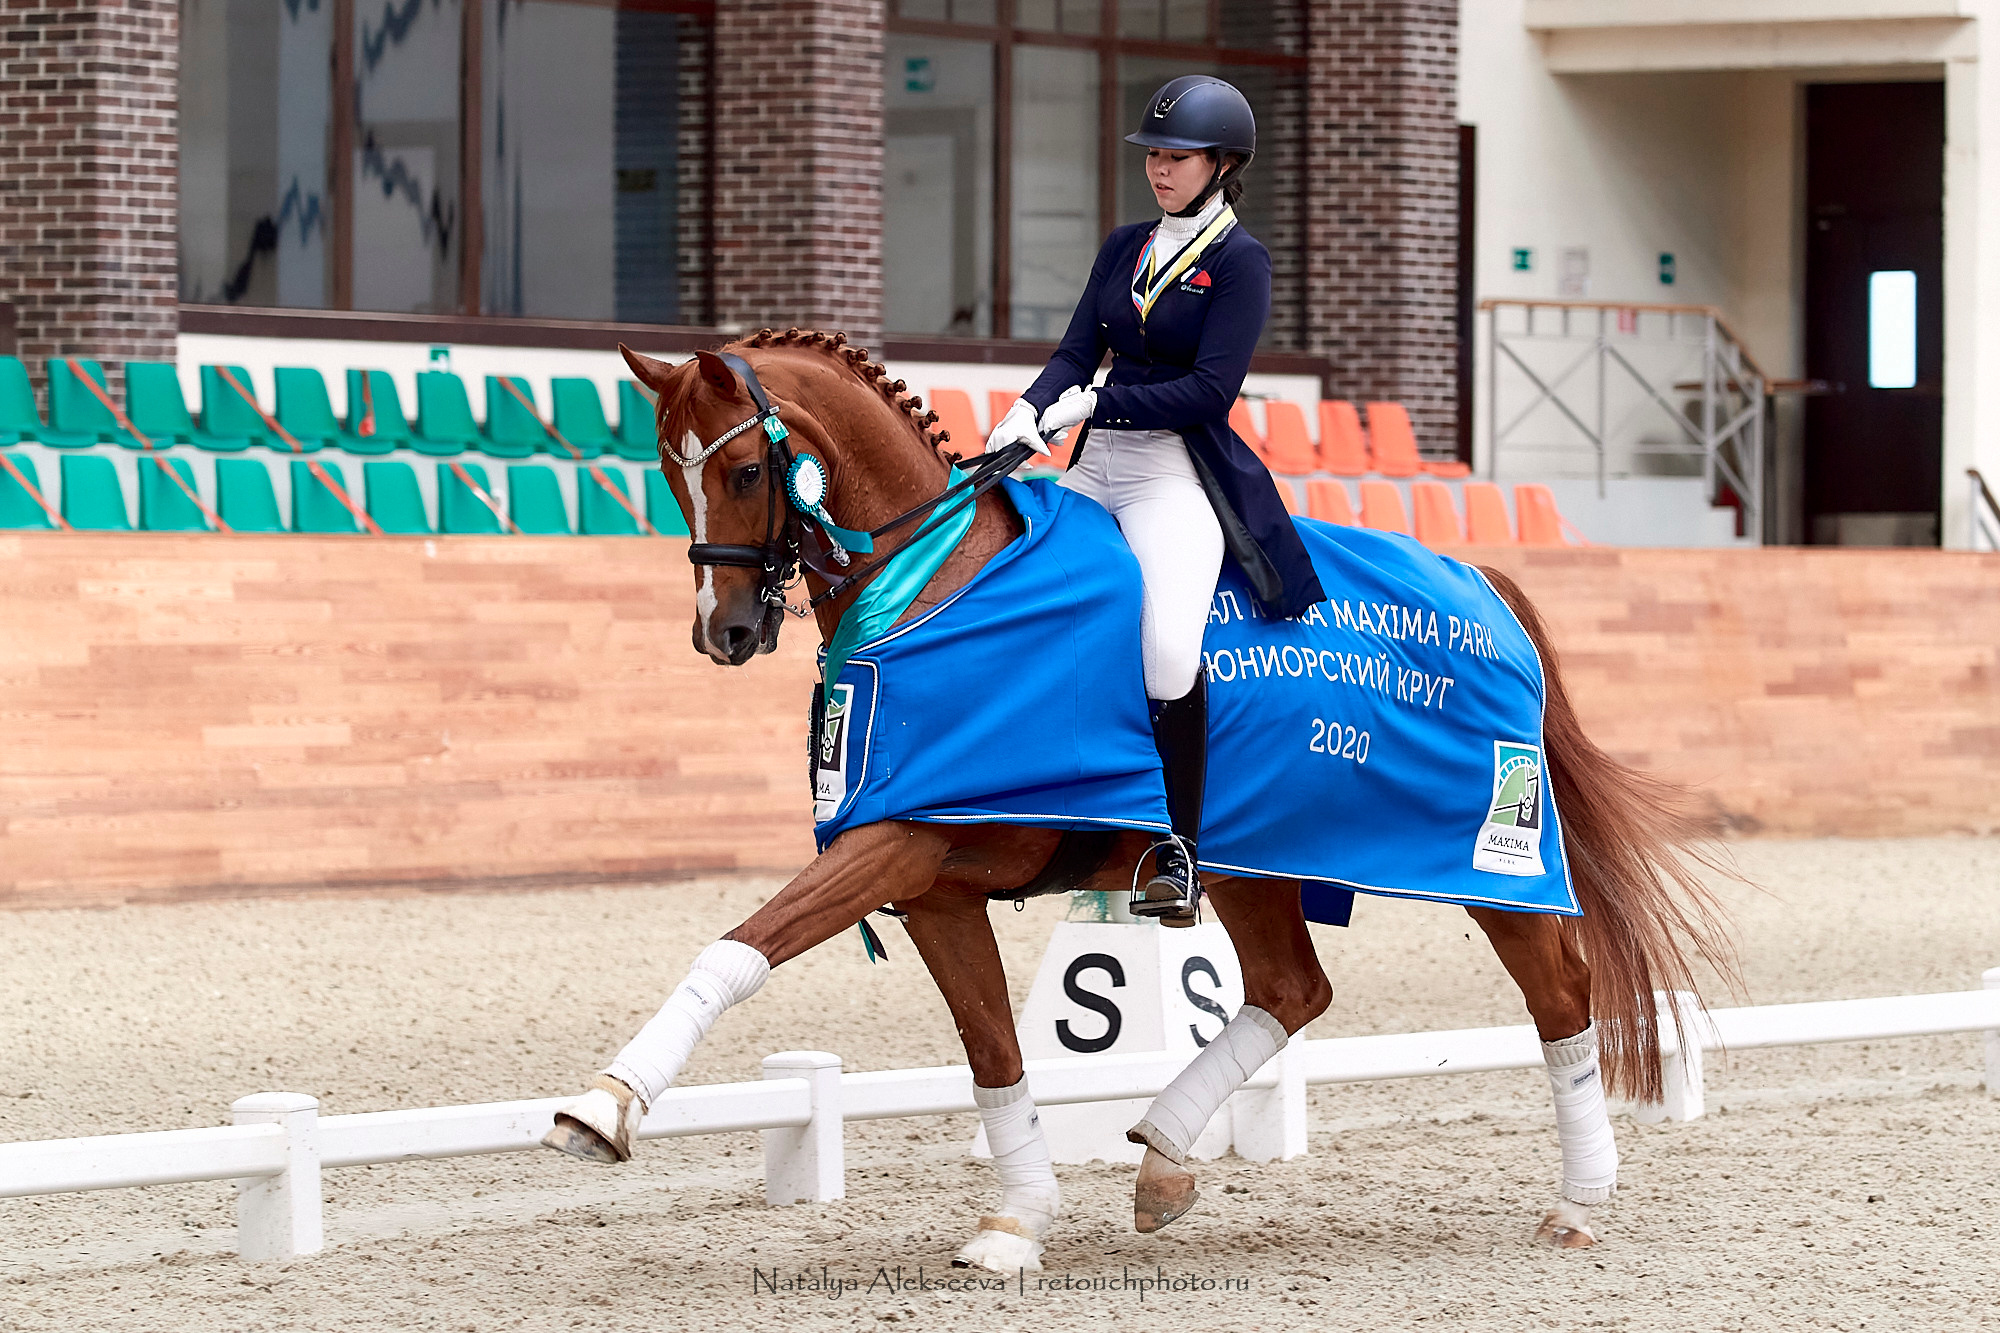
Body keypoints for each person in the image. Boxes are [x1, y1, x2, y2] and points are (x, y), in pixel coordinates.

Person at [987, 75, 1325, 925]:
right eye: (1153, 156)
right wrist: (1027, 408)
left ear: (1222, 164)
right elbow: (1077, 349)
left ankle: (1177, 849)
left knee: (1169, 651)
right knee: (1015, 604)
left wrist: (1096, 403)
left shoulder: (1239, 262)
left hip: (1173, 472)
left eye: (1177, 157)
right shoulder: (1124, 246)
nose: (1159, 169)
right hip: (1093, 466)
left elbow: (1210, 391)